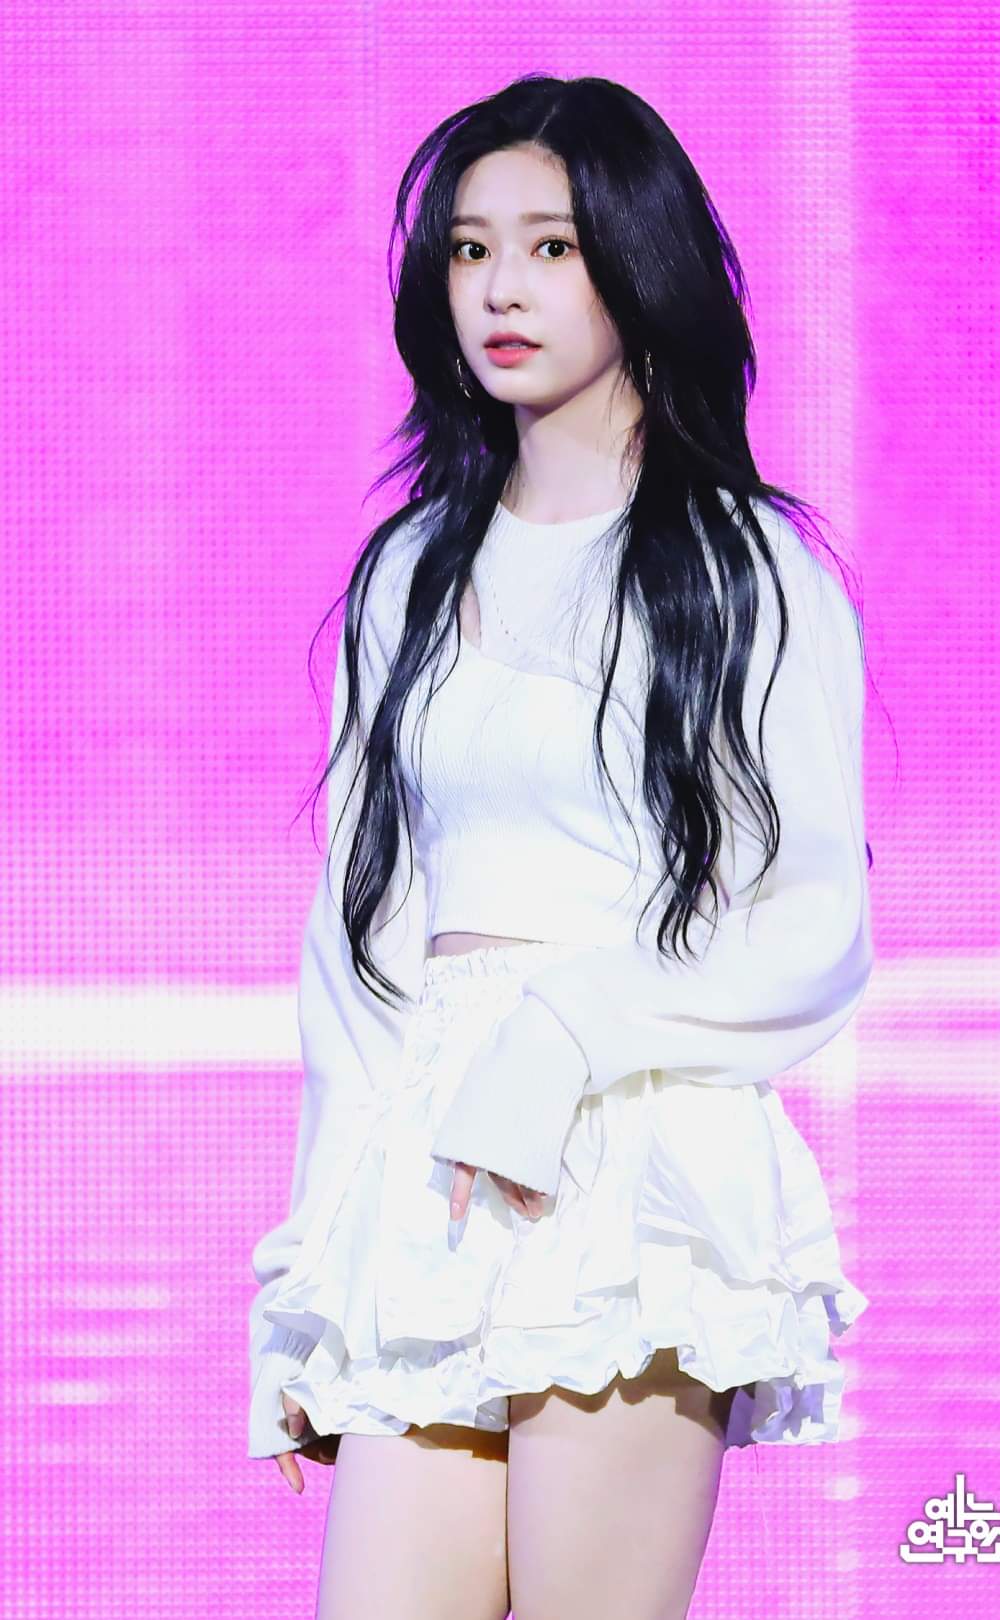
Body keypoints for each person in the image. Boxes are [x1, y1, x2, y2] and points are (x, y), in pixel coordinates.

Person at [247, 73, 874, 1620]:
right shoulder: (408, 572)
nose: (501, 290)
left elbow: (814, 921)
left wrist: (573, 1031)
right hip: (430, 1167)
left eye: (550, 246)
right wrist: (311, 1275)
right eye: (471, 251)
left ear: (636, 262)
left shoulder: (747, 569)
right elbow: (355, 943)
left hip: (632, 1157)